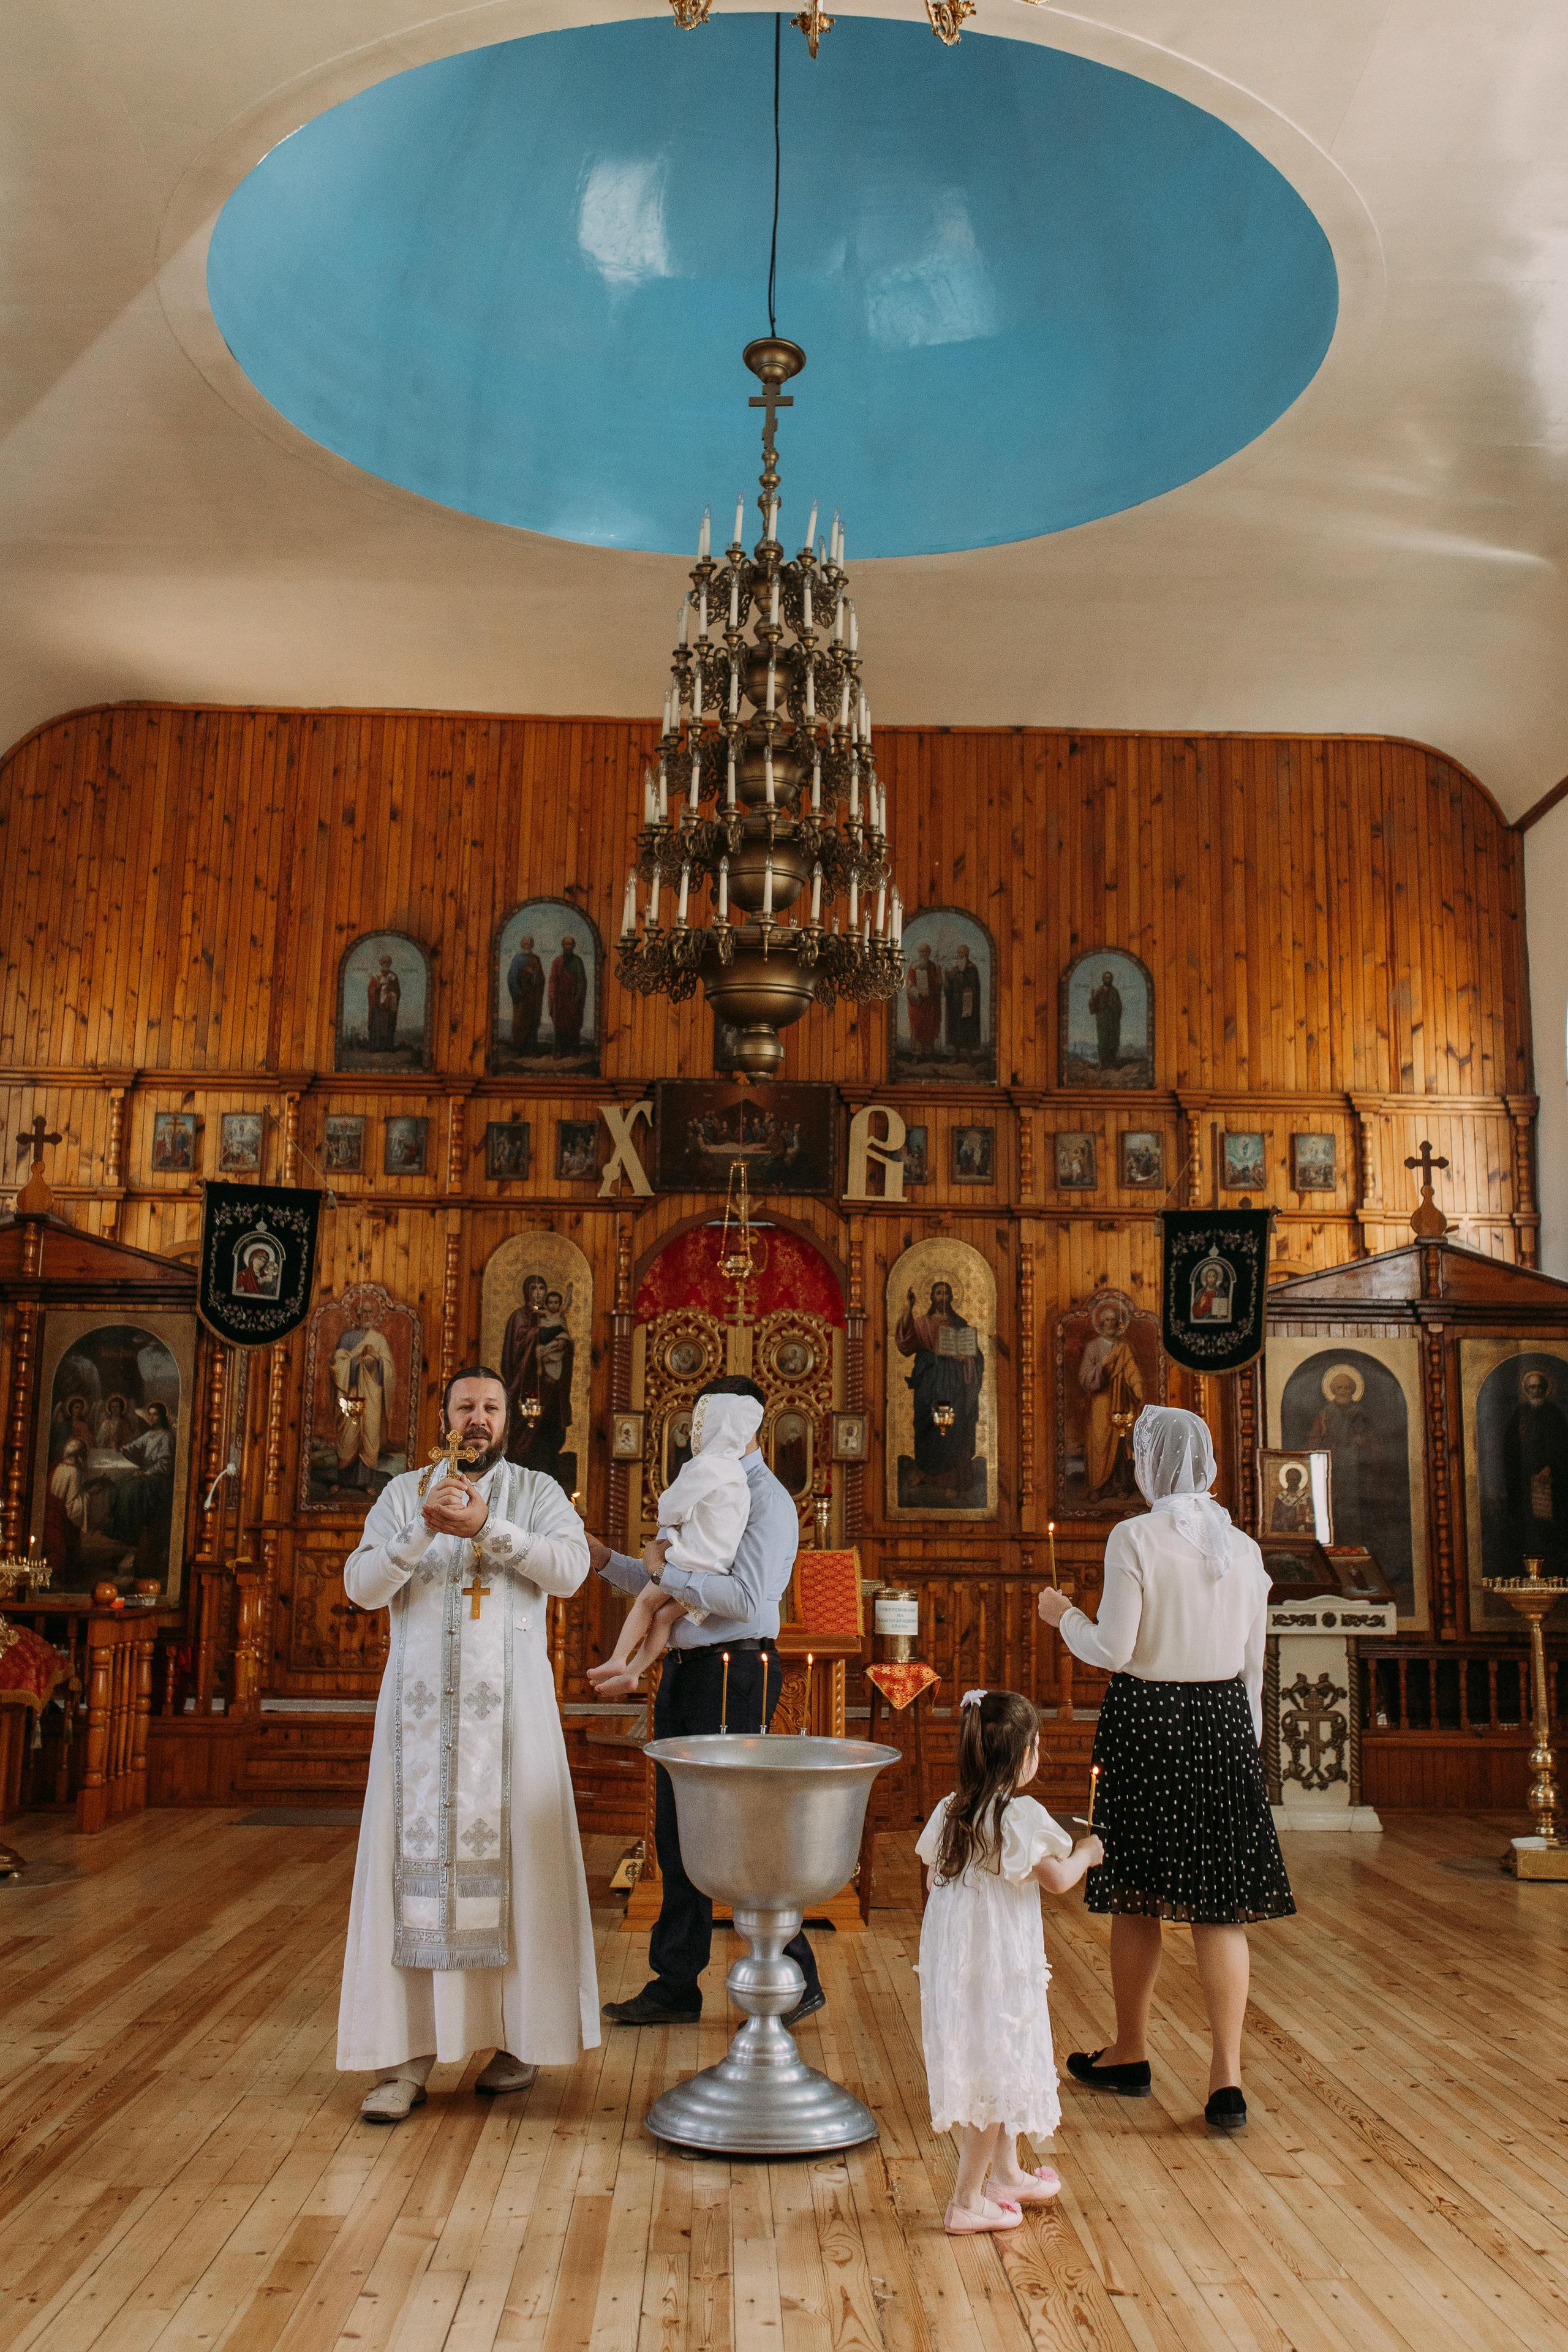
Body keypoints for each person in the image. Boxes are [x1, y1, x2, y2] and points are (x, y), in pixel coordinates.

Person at [337, 1366, 597, 2122]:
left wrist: (489, 1528)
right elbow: (361, 1587)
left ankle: (519, 2040)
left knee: (523, 1871)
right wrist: (422, 1527)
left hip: (512, 1726)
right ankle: (404, 2058)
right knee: (406, 1881)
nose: (476, 1419)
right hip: (416, 1730)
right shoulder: (399, 1496)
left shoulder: (538, 1492)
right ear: (444, 1416)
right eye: (464, 1407)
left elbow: (572, 1572)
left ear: (507, 1419)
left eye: (490, 1408)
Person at [1038, 1405, 1293, 2132]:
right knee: (1219, 1905)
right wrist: (1240, 1747)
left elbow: (1114, 1649)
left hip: (1147, 1722)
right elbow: (1252, 1666)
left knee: (1137, 1892)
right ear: (1206, 1464)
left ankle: (1130, 2050)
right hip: (1221, 1725)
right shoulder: (1242, 1549)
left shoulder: (1135, 1536)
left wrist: (1062, 1616)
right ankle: (1226, 2081)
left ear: (1150, 1465)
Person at [587, 1374, 822, 2030]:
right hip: (692, 1669)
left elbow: (745, 1601)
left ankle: (795, 1975)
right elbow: (674, 1582)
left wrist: (662, 1572)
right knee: (677, 1828)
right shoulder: (709, 1481)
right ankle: (676, 1983)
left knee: (731, 1829)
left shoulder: (767, 1501)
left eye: (706, 1418)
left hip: (733, 1667)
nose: (697, 1430)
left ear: (747, 1424)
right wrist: (608, 1560)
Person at [916, 1689, 1102, 2235]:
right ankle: (967, 2200)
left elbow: (934, 1880)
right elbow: (1061, 1880)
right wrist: (1088, 1852)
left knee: (1002, 2053)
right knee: (996, 2068)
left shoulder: (951, 1809)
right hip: (999, 1963)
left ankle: (1006, 2173)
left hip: (963, 1963)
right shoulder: (1020, 1815)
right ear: (1023, 1757)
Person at [585, 1390, 760, 1698]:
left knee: (646, 1604)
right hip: (716, 1571)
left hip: (687, 1561)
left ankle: (617, 1659)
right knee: (665, 1616)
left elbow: (671, 1507)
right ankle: (634, 1673)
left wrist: (672, 1521)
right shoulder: (738, 1473)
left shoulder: (705, 1465)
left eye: (699, 1424)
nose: (692, 1432)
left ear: (715, 1428)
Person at [895, 1280, 983, 1502]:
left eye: (946, 1293)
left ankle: (950, 1479)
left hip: (953, 1383)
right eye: (938, 1293)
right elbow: (905, 1341)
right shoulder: (923, 1323)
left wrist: (968, 1360)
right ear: (932, 1297)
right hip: (928, 1379)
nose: (942, 1297)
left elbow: (976, 1356)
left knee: (951, 1425)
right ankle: (925, 1472)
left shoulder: (960, 1324)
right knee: (926, 1423)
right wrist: (909, 1308)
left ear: (952, 1297)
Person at [1077, 1298, 1143, 1501]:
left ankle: (1118, 1484)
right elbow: (1085, 1376)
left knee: (1120, 1442)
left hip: (1121, 1400)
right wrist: (1103, 1366)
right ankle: (1097, 1486)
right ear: (1101, 1324)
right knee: (1100, 1442)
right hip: (1101, 1401)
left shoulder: (1123, 1348)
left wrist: (1138, 1389)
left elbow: (1132, 1371)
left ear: (1118, 1324)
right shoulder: (1093, 1347)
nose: (1110, 1325)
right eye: (1106, 1321)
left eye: (1113, 1321)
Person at [548, 935, 587, 1057]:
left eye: (570, 944)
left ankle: (574, 1051)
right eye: (566, 944)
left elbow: (581, 980)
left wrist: (577, 997)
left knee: (573, 1023)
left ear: (573, 946)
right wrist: (552, 994)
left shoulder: (577, 961)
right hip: (560, 999)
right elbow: (553, 980)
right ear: (562, 946)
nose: (567, 947)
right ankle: (559, 1051)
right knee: (559, 1025)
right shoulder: (557, 961)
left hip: (572, 998)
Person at [507, 934, 545, 1055]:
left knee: (533, 1021)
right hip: (522, 996)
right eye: (525, 943)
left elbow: (541, 977)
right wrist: (518, 992)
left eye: (530, 943)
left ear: (532, 945)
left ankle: (531, 1048)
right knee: (520, 1022)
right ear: (522, 944)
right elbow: (512, 977)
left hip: (533, 997)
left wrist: (535, 975)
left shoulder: (536, 959)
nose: (527, 945)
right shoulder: (517, 959)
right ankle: (520, 1049)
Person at [944, 943, 982, 1060]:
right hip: (956, 1002)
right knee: (956, 1028)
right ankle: (956, 1055)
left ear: (967, 954)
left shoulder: (972, 968)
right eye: (959, 953)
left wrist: (970, 990)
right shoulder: (955, 969)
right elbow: (950, 985)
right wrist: (947, 977)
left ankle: (969, 1056)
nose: (960, 955)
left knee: (968, 1028)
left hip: (968, 1002)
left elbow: (975, 985)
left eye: (962, 953)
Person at [905, 943, 942, 1057]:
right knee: (918, 1026)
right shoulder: (913, 967)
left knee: (930, 1026)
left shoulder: (933, 967)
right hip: (918, 1003)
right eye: (921, 952)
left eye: (925, 952)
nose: (923, 954)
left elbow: (938, 985)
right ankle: (917, 1054)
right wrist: (919, 994)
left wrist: (939, 975)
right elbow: (910, 985)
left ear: (929, 953)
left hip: (930, 1004)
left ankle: (928, 1054)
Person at [1090, 968, 1122, 1069]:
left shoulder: (1115, 991)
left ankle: (1112, 1063)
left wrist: (1114, 1008)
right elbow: (1093, 1005)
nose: (1108, 979)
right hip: (1102, 1020)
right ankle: (1102, 1063)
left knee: (1113, 1040)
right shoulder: (1099, 990)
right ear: (1103, 979)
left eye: (1109, 978)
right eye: (1106, 978)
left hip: (1113, 1020)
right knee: (1103, 1041)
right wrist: (1093, 997)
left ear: (1112, 979)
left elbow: (1119, 1005)